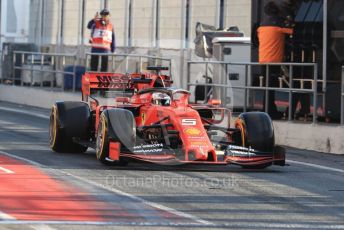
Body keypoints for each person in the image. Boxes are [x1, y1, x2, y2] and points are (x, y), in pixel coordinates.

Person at [257, 1, 293, 119]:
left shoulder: (261, 25)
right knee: (271, 86)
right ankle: (269, 111)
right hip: (274, 60)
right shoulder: (279, 25)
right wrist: (290, 22)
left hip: (263, 59)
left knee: (267, 87)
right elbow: (292, 32)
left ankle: (268, 109)